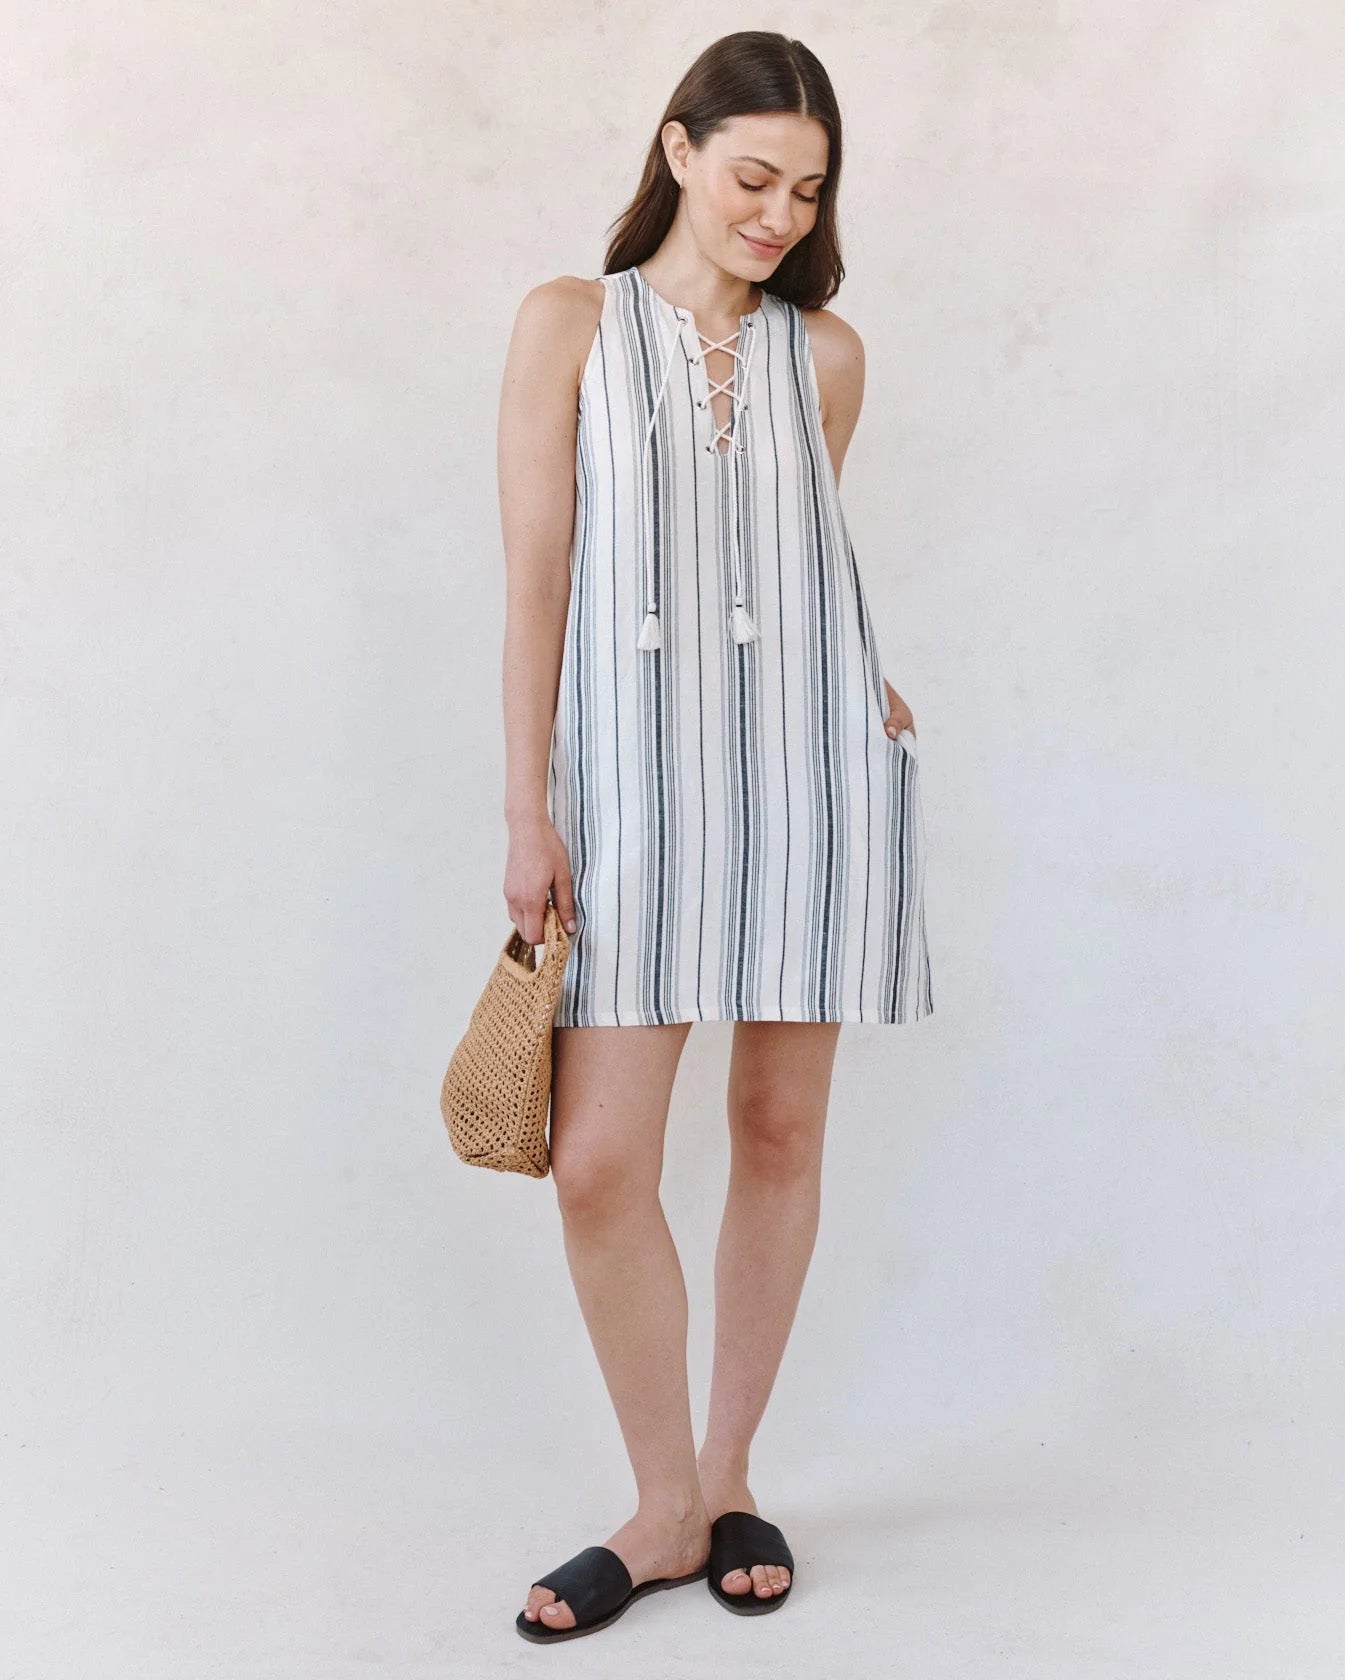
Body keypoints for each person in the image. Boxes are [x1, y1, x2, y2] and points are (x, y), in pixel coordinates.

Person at [496, 29, 933, 1644]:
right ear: (677, 150)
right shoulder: (567, 324)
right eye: (753, 175)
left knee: (776, 1132)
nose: (776, 213)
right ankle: (660, 1498)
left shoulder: (828, 356)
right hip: (627, 788)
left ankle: (727, 1478)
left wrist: (865, 689)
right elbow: (538, 576)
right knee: (598, 1165)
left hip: (813, 778)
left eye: (806, 190)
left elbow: (793, 559)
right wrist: (528, 807)